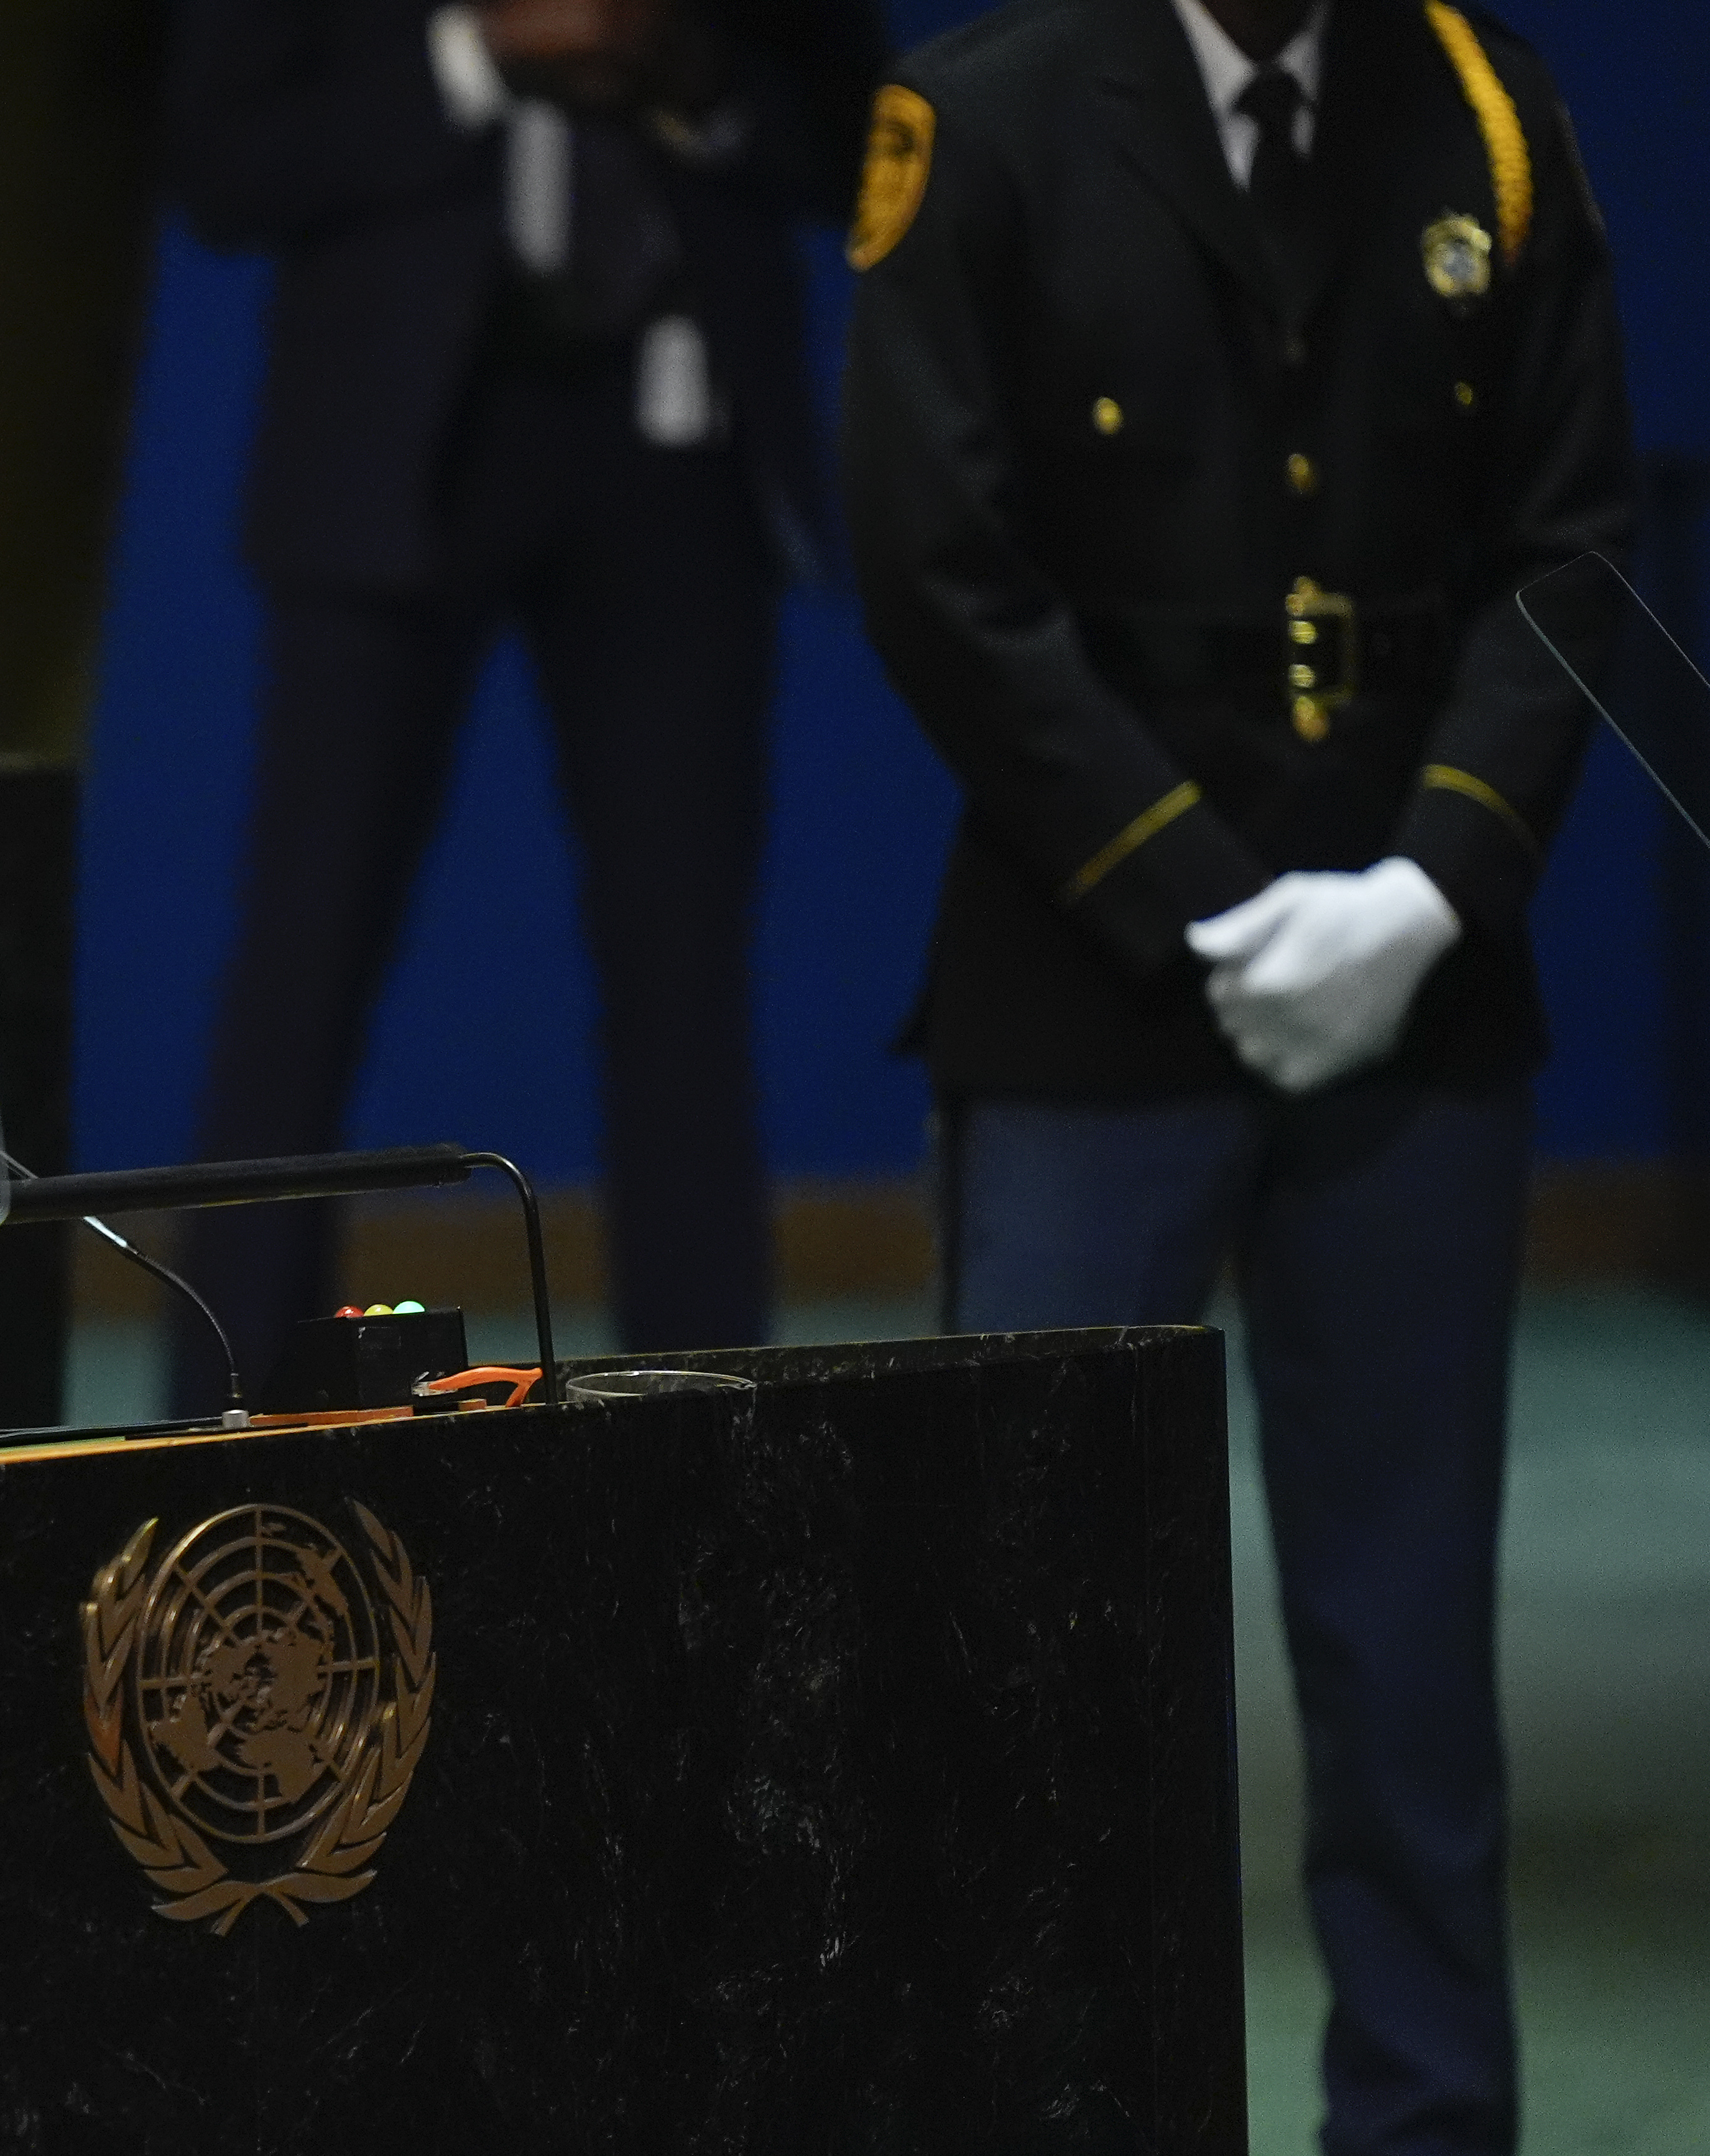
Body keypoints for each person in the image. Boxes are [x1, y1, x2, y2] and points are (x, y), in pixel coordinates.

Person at [843, 0, 1630, 2147]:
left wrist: (1433, 883)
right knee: (1039, 1641)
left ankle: (1427, 2119)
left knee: (1404, 1661)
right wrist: (1197, 898)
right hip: (1090, 982)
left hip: (1413, 982)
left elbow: (1573, 544)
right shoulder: (979, 118)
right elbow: (934, 562)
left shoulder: (1482, 106)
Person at [162, 0, 884, 1403]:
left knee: (685, 983)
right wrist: (477, 57)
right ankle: (222, 1446)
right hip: (387, 456)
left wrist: (690, 73)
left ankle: (706, 1442)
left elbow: (862, 140)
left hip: (679, 459)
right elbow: (226, 166)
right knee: (299, 969)